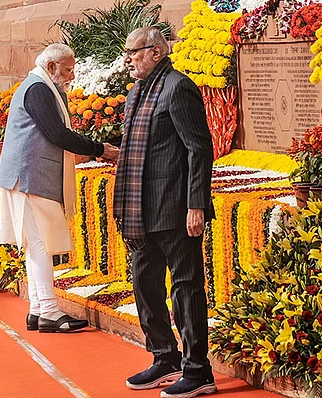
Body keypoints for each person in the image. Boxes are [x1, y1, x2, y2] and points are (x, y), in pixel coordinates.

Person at [115, 28, 215, 397]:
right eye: (127, 52)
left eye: (134, 52)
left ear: (156, 52)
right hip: (140, 210)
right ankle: (164, 356)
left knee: (186, 289)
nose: (129, 58)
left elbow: (198, 149)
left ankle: (197, 369)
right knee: (145, 286)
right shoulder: (135, 93)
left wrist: (196, 204)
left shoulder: (177, 87)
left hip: (175, 208)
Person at [0, 43, 119, 333]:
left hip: (28, 176)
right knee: (40, 245)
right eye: (67, 69)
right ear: (51, 67)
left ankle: (38, 309)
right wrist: (100, 148)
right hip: (28, 177)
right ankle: (48, 311)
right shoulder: (38, 88)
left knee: (35, 245)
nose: (72, 76)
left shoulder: (41, 85)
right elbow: (57, 134)